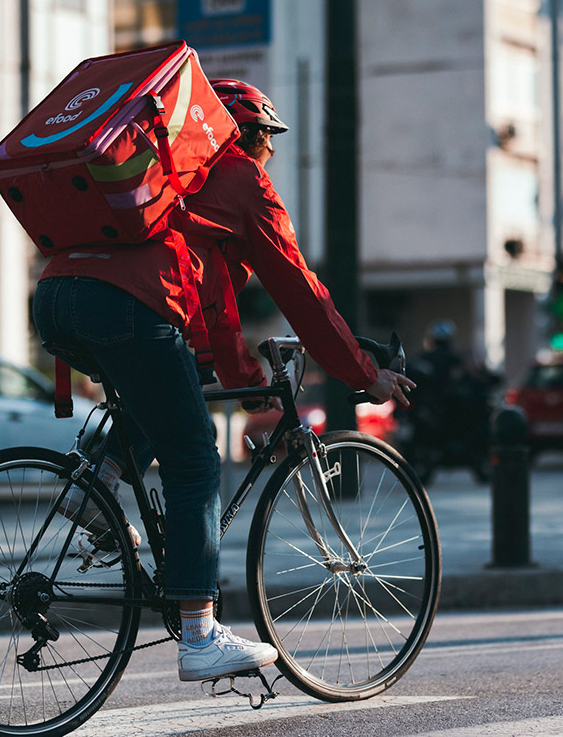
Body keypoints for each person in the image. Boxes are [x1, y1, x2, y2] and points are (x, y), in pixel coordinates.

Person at [31, 78, 413, 683]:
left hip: (57, 300)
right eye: (268, 142)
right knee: (196, 464)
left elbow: (211, 315)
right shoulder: (240, 178)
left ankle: (95, 478)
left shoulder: (171, 183)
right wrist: (364, 374)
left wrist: (242, 375)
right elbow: (301, 291)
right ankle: (201, 634)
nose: (270, 157)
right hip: (130, 306)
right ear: (248, 134)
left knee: (168, 383)